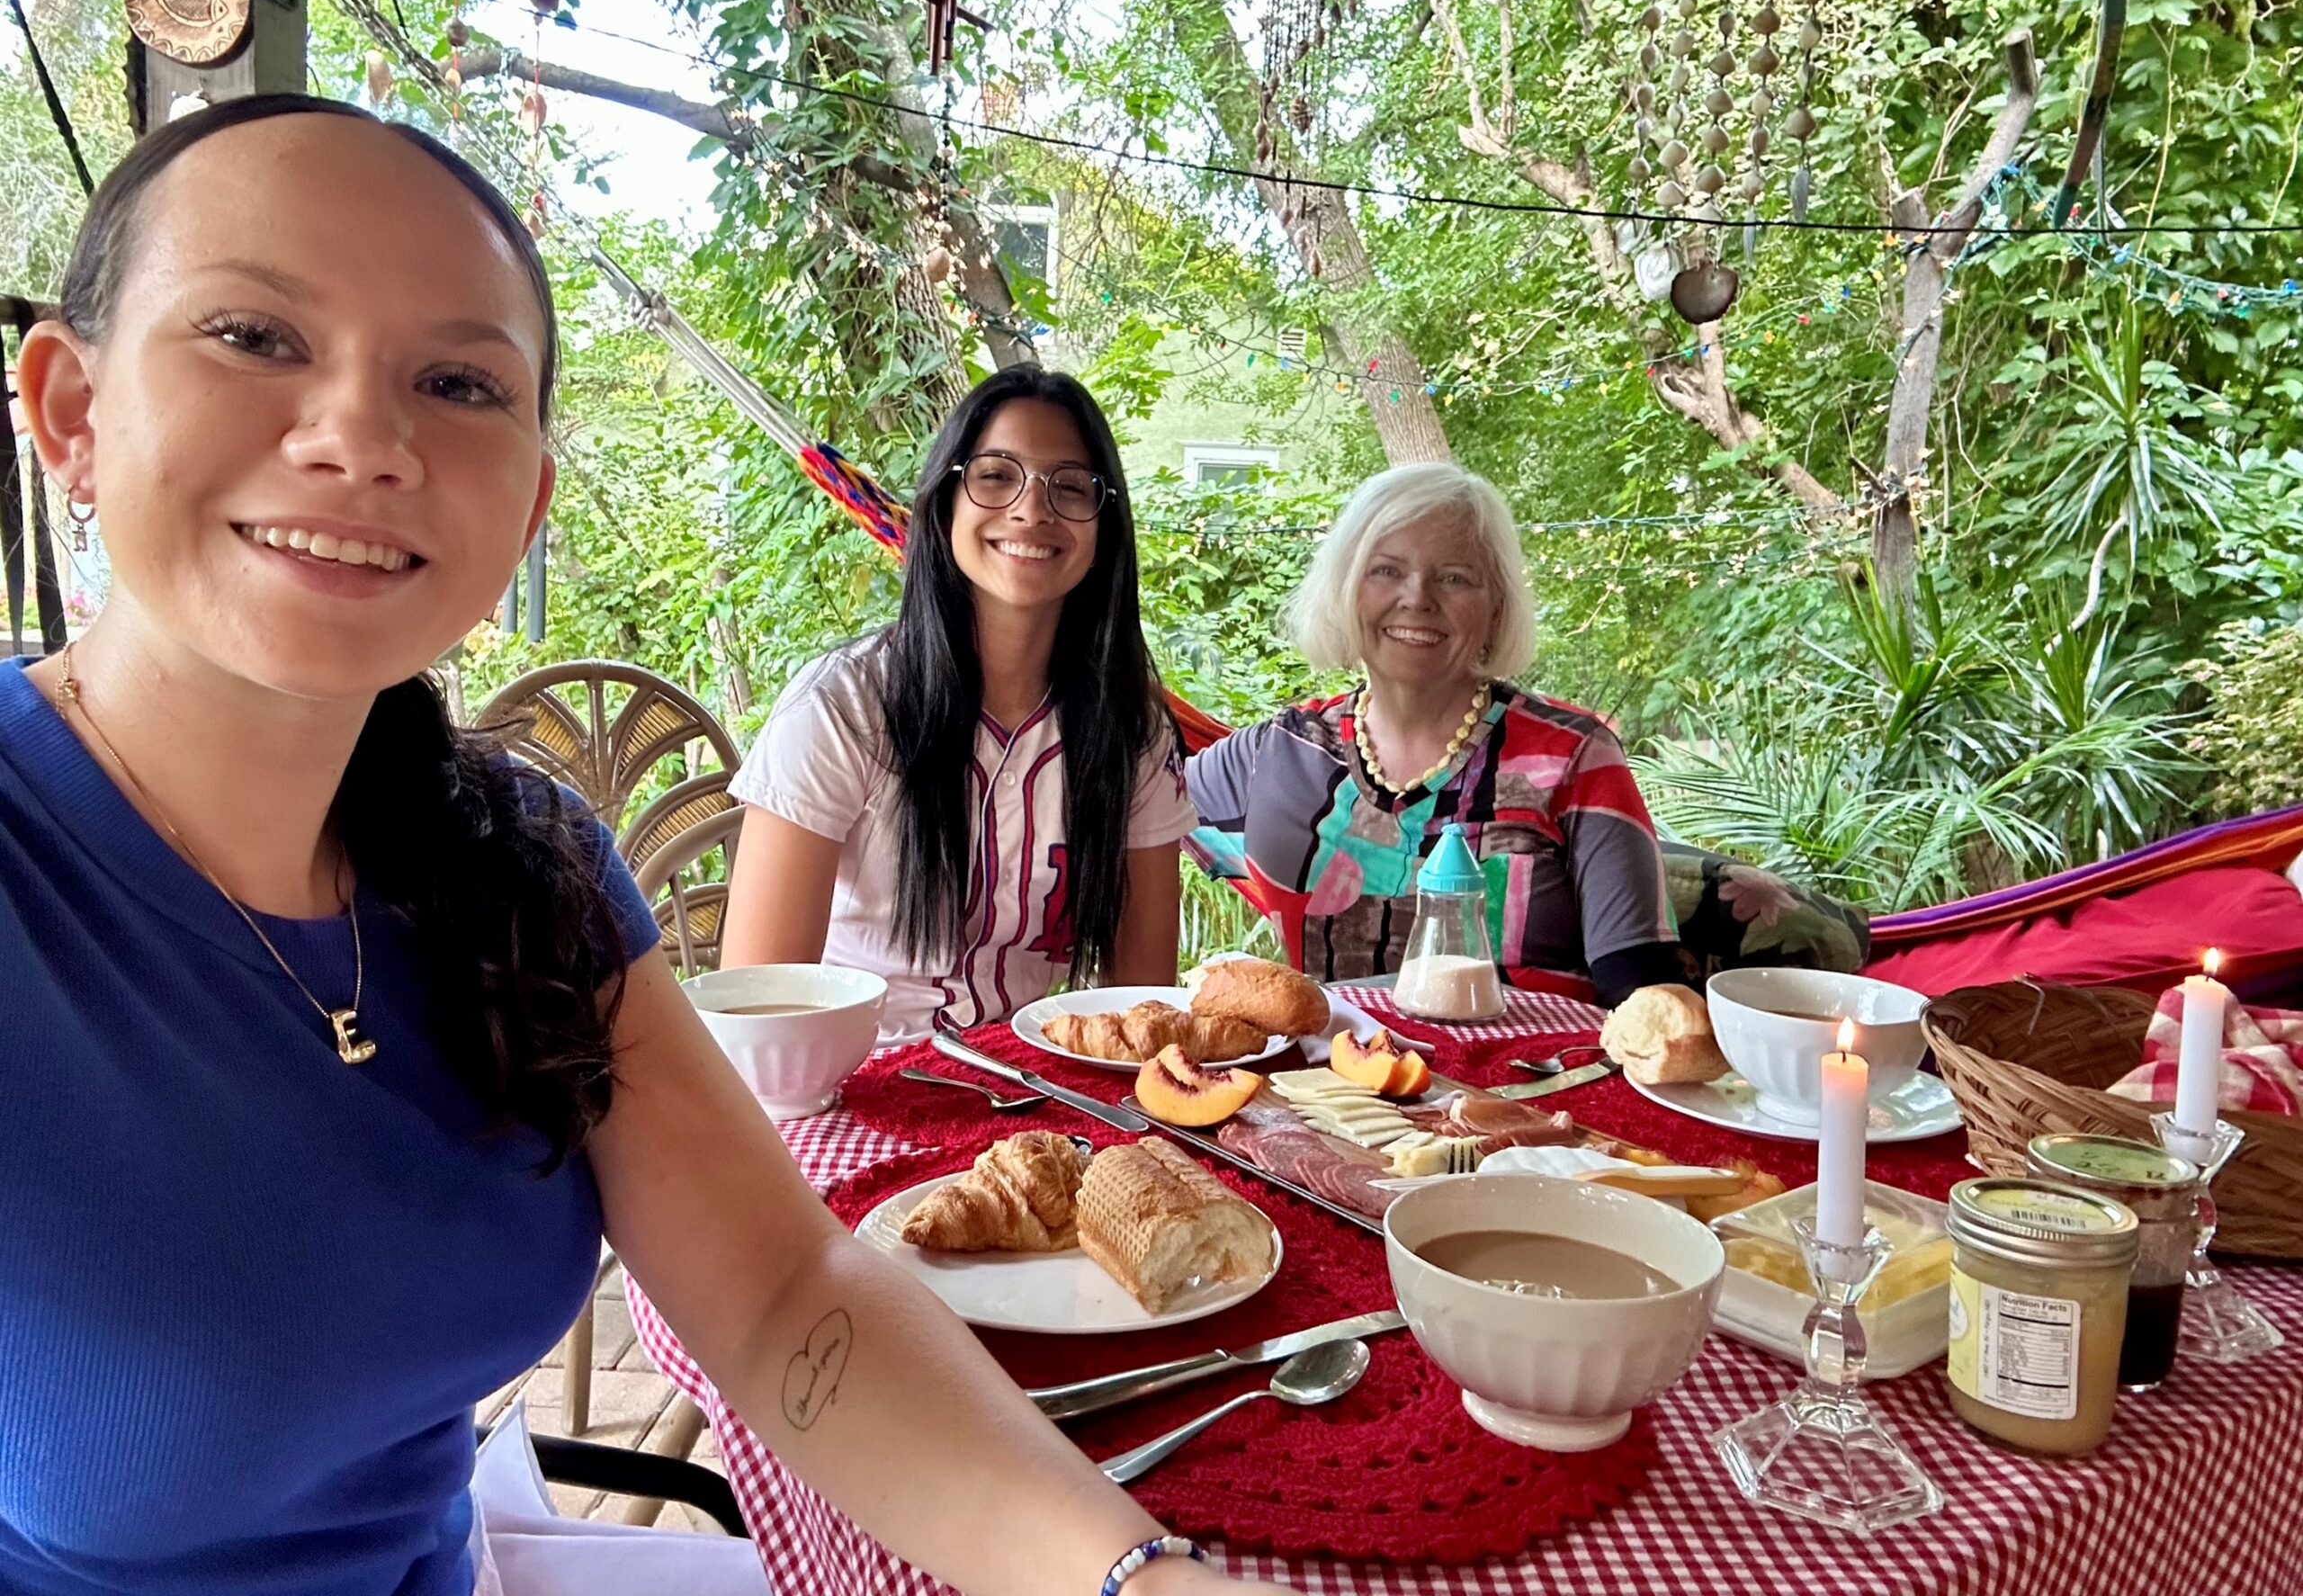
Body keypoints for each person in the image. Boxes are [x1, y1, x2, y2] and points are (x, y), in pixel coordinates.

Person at [0, 94, 1285, 1596]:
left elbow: (782, 1295)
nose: (358, 436)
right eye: (255, 336)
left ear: (529, 499)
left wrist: (1135, 1579)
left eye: (457, 382)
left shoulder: (516, 865)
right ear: (70, 411)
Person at [719, 365, 1193, 1040]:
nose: (1033, 509)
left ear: (1103, 526)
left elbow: (1140, 1010)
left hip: (1039, 1089)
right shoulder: (844, 707)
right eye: (997, 476)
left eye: (1069, 486)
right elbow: (760, 1012)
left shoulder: (1131, 729)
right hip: (852, 1088)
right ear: (944, 505)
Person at [1187, 462, 1701, 1012]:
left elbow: (1643, 998)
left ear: (1496, 607)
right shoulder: (1286, 750)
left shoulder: (1574, 756)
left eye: (1455, 577)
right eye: (1385, 570)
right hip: (1326, 1089)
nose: (1418, 598)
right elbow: (1123, 815)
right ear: (1344, 590)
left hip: (1535, 1086)